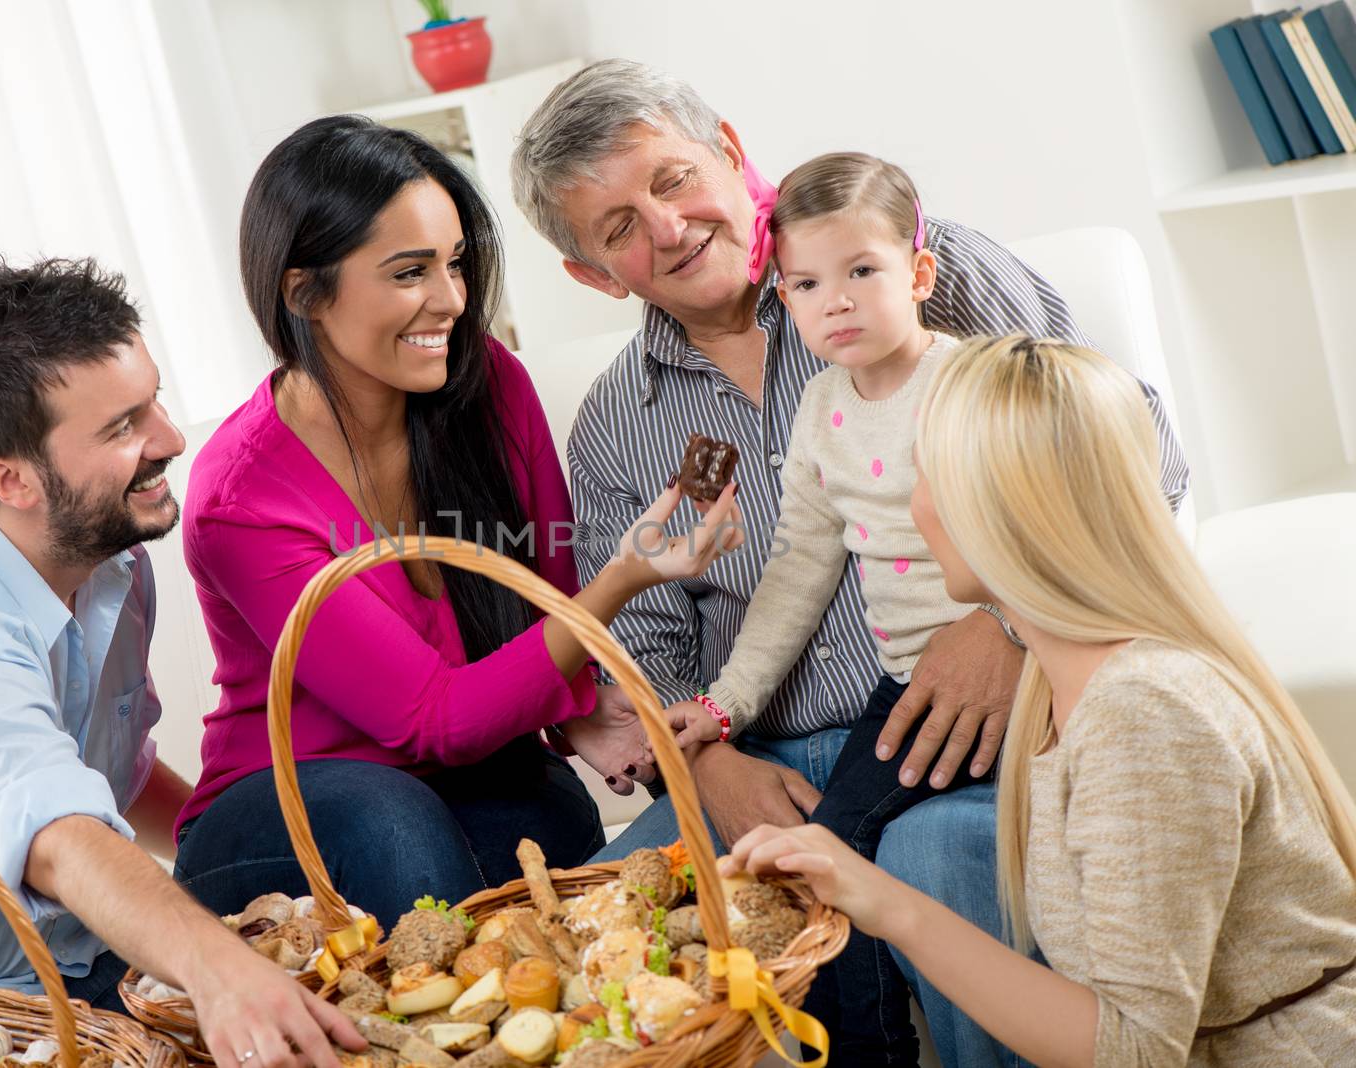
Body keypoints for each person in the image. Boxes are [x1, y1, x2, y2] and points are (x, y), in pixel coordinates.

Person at [509, 59, 1189, 1065]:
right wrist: (708, 765)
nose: (665, 227)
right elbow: (642, 648)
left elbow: (1130, 455)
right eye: (615, 228)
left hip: (978, 728)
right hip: (758, 760)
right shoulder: (615, 422)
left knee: (936, 853)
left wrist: (1008, 626)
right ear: (593, 274)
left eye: (670, 179)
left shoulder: (913, 265)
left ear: (731, 154)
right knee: (589, 925)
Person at [0, 258, 366, 1068]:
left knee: (348, 853)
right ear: (11, 480)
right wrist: (219, 971)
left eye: (152, 401)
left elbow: (112, 771)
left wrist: (208, 886)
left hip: (49, 962)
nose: (171, 440)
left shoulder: (109, 561)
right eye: (122, 427)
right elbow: (58, 832)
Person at [171, 115, 743, 931]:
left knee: (542, 814)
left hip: (453, 778)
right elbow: (432, 718)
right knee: (394, 825)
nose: (449, 300)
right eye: (409, 272)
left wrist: (578, 706)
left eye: (455, 264)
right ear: (304, 292)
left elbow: (543, 593)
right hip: (286, 805)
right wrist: (628, 575)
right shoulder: (243, 500)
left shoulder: (488, 386)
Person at [724, 333, 1356, 1067]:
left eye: (921, 475)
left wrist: (881, 899)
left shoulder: (1141, 712)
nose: (911, 506)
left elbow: (1133, 1051)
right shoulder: (1058, 690)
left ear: (996, 505)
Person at [668, 151, 994, 1064]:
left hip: (1010, 669)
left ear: (919, 274)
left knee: (830, 854)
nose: (836, 301)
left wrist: (1013, 630)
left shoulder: (972, 382)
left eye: (862, 272)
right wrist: (728, 703)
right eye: (807, 283)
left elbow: (1045, 522)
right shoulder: (820, 410)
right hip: (904, 689)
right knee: (817, 861)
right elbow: (797, 571)